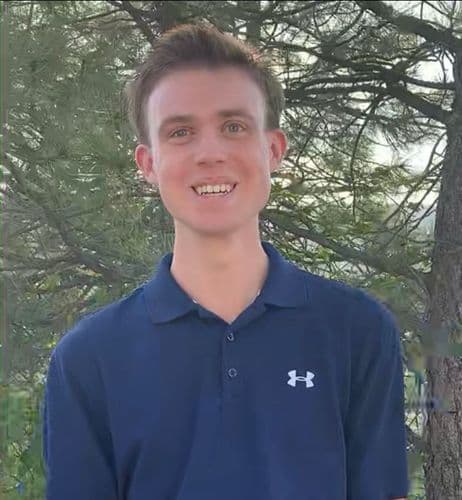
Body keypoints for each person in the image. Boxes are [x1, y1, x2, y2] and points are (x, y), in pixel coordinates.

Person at [42, 22, 409, 500]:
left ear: (273, 149)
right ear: (148, 164)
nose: (210, 153)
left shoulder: (357, 329)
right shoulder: (87, 358)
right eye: (181, 132)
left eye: (233, 127)